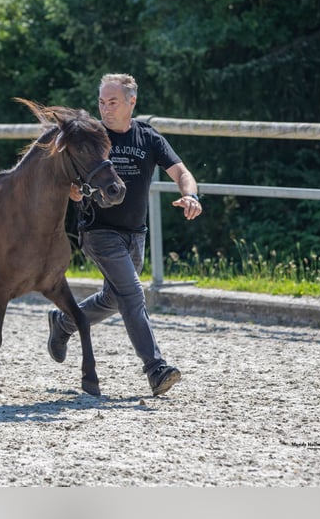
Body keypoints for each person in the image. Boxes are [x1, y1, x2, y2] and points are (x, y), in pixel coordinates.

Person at [48, 73, 203, 396]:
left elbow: (181, 172)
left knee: (113, 299)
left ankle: (63, 322)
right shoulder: (92, 137)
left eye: (113, 102)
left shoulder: (148, 138)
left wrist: (191, 195)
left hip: (135, 232)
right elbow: (64, 175)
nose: (105, 109)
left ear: (132, 102)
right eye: (102, 102)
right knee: (133, 294)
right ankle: (155, 368)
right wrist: (73, 192)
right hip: (98, 230)